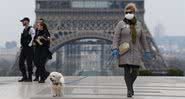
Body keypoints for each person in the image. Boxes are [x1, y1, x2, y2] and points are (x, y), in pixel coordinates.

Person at [112, 3, 153, 97]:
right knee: (126, 71)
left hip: (136, 51)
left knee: (135, 72)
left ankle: (130, 87)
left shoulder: (139, 24)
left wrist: (147, 50)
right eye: (127, 12)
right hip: (125, 51)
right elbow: (116, 37)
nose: (128, 13)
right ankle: (129, 90)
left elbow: (143, 38)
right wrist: (114, 48)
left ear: (134, 13)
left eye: (130, 12)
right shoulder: (121, 24)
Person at [19, 17, 35, 82]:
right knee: (20, 62)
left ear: (27, 21)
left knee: (29, 63)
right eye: (22, 21)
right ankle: (24, 76)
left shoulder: (31, 29)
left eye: (23, 21)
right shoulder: (24, 30)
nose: (22, 22)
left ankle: (30, 78)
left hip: (29, 48)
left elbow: (33, 37)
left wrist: (29, 45)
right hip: (24, 48)